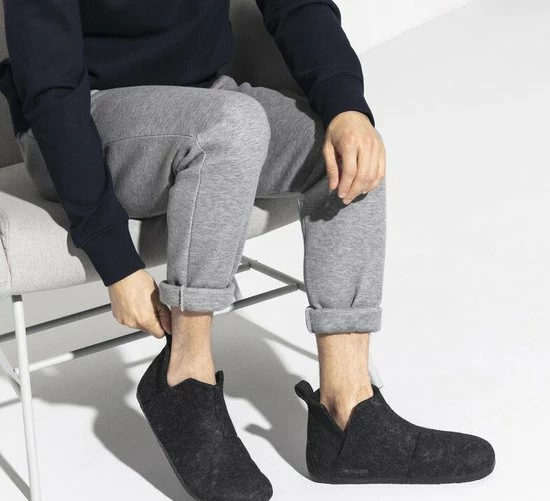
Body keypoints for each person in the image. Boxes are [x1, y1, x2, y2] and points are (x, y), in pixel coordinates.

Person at [0, 1, 495, 499]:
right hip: (83, 119)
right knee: (230, 124)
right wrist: (115, 262)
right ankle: (184, 376)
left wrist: (348, 107)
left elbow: (299, 6)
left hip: (203, 98)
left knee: (346, 150)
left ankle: (348, 414)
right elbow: (51, 90)